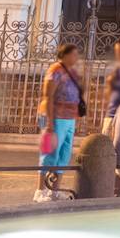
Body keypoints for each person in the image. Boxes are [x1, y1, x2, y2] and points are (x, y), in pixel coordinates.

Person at [35, 43, 84, 200]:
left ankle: (54, 191)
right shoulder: (55, 70)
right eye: (74, 54)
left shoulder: (73, 72)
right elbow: (48, 96)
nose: (76, 58)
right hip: (55, 117)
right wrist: (49, 122)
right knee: (49, 153)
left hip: (69, 118)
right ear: (65, 55)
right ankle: (40, 190)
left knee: (64, 154)